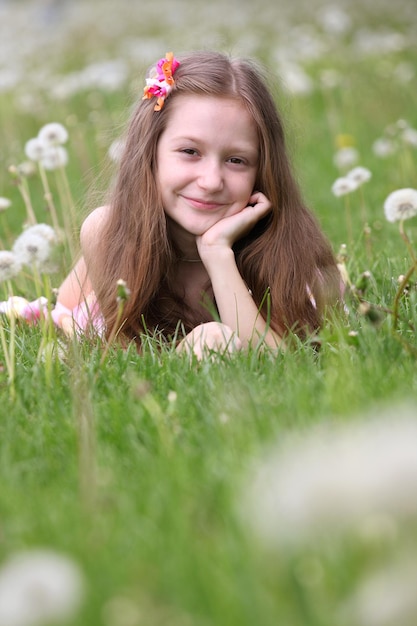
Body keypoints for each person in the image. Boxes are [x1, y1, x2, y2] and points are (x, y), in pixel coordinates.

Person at [54, 50, 340, 358]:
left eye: (236, 160)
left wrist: (217, 253)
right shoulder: (109, 233)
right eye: (190, 151)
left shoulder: (286, 250)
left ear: (263, 170)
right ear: (150, 153)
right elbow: (127, 359)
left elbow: (285, 365)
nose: (211, 180)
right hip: (78, 306)